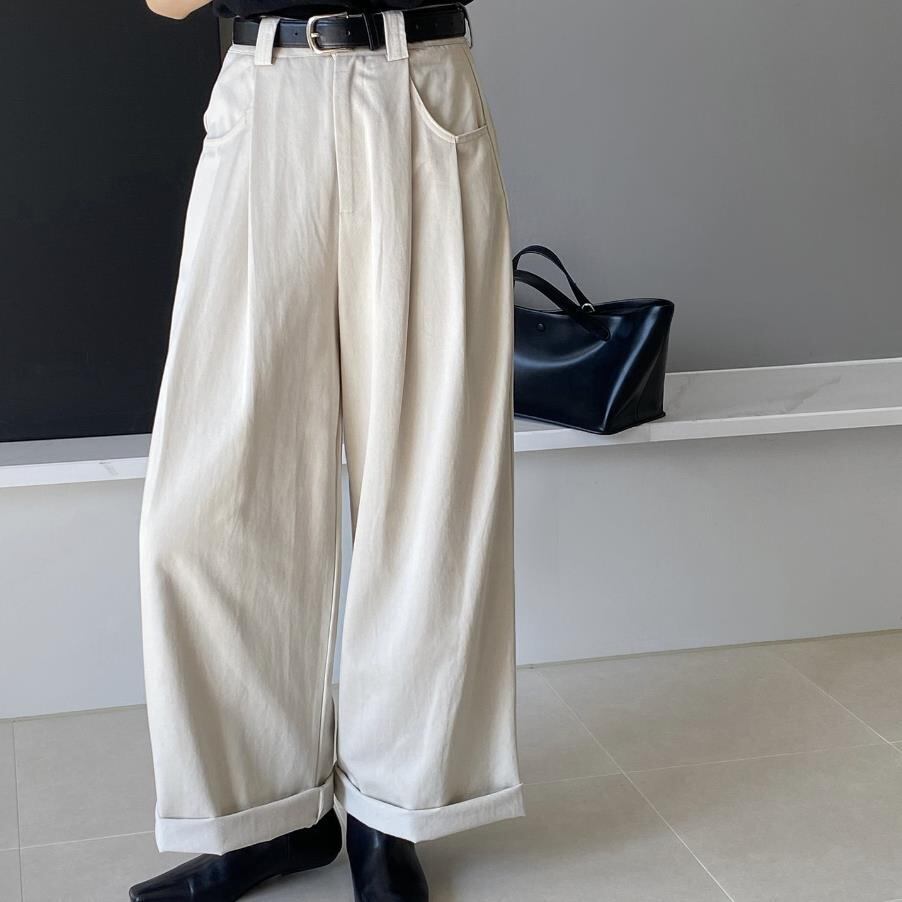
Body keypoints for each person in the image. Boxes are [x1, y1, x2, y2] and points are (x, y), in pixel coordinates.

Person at [132, 2, 523, 899]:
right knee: (207, 508)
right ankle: (268, 815)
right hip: (266, 100)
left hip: (419, 85)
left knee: (428, 490)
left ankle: (390, 815)